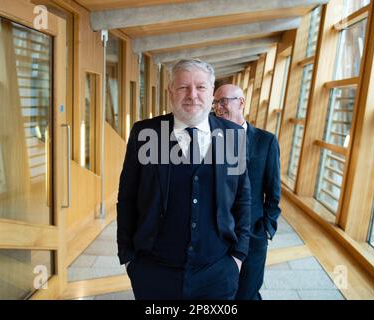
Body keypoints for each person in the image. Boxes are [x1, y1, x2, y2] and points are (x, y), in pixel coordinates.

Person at [117, 59, 251, 300]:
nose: (192, 95)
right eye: (183, 87)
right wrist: (129, 258)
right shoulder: (145, 133)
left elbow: (243, 198)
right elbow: (127, 197)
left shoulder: (232, 135)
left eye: (200, 87)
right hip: (154, 271)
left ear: (211, 93)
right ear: (170, 92)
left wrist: (238, 257)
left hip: (217, 271)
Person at [214, 84, 281, 300]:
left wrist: (266, 228)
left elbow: (273, 192)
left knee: (248, 293)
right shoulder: (208, 139)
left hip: (253, 233)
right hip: (216, 233)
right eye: (215, 102)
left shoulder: (266, 140)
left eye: (223, 101)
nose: (218, 107)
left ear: (241, 102)